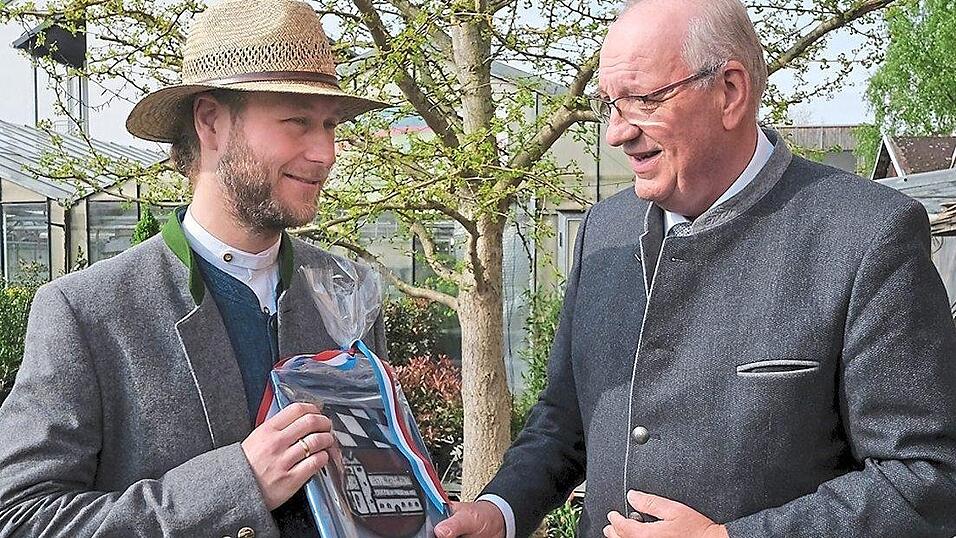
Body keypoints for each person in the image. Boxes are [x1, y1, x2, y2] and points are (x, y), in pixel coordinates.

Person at [434, 0, 956, 537]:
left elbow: (923, 478)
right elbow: (564, 421)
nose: (616, 133)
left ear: (730, 91)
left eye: (641, 100)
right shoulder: (604, 231)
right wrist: (500, 509)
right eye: (609, 104)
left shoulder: (866, 234)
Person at [0, 0, 391, 536]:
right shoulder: (88, 314)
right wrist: (237, 483)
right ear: (211, 122)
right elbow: (21, 517)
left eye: (330, 125)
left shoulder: (348, 295)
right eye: (298, 121)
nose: (326, 151)